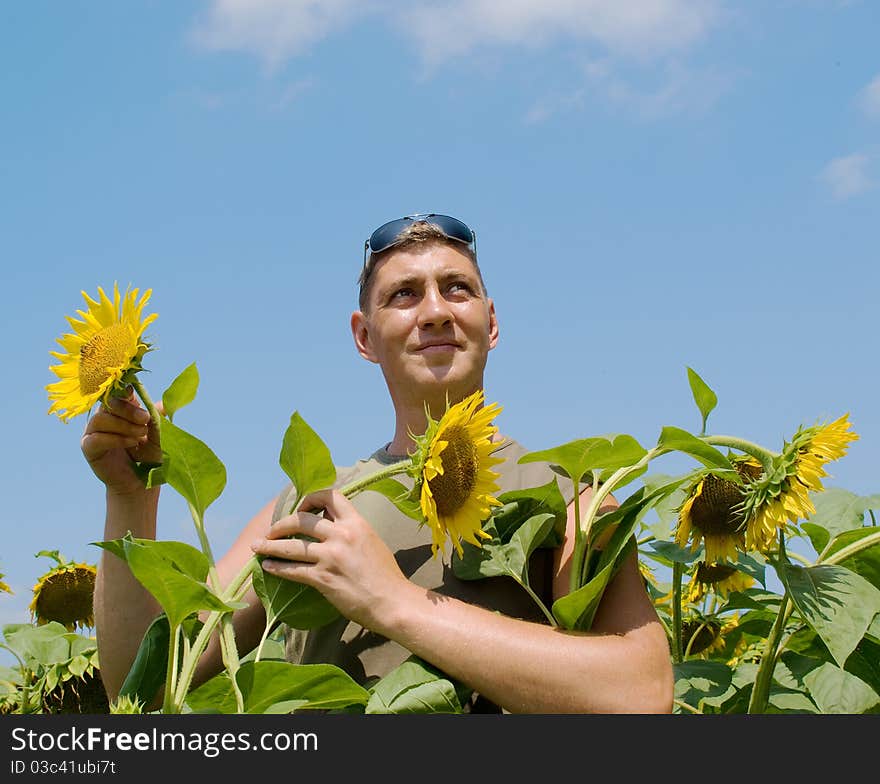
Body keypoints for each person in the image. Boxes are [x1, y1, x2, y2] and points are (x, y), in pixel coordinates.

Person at [85, 213, 673, 714]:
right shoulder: (305, 502)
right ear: (364, 337)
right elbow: (148, 684)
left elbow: (641, 692)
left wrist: (392, 602)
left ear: (491, 323)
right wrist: (130, 498)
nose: (436, 311)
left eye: (457, 289)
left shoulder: (568, 491)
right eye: (404, 294)